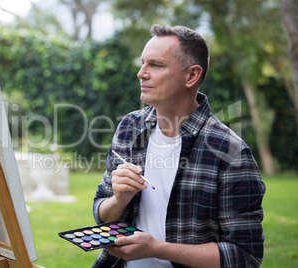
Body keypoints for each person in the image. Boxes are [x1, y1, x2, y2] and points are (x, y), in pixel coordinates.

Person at [92, 24, 265, 268]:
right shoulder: (129, 127)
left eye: (156, 65)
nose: (141, 73)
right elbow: (101, 210)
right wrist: (119, 200)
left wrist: (157, 249)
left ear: (191, 76)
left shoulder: (229, 152)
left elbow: (245, 255)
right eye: (142, 63)